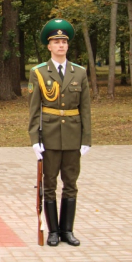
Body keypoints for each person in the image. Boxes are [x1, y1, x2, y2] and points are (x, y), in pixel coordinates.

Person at [28, 19, 91, 247]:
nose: (61, 45)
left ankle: (68, 231)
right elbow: (34, 109)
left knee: (71, 183)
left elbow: (85, 109)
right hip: (51, 136)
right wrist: (35, 139)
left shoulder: (80, 73)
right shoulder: (39, 73)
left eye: (64, 41)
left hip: (73, 136)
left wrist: (87, 139)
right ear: (49, 46)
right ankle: (53, 231)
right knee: (50, 184)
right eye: (56, 41)